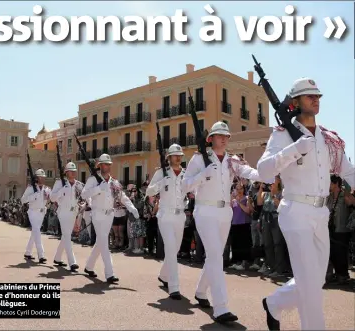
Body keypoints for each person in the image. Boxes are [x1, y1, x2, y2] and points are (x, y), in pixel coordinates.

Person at [257, 78, 354, 330]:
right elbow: (264, 172)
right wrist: (294, 149)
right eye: (309, 96)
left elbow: (348, 171)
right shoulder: (281, 135)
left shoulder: (328, 138)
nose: (316, 99)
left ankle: (275, 303)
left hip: (321, 213)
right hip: (295, 211)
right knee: (310, 284)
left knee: (314, 278)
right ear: (295, 103)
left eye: (318, 96)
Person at [183, 121, 266, 324]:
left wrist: (265, 173)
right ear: (211, 139)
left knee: (215, 256)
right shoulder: (199, 158)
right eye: (220, 135)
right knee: (215, 256)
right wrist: (203, 174)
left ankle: (201, 292)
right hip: (205, 210)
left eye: (227, 136)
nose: (224, 138)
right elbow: (185, 185)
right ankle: (221, 308)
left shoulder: (232, 160)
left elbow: (248, 172)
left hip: (224, 212)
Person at [81, 153, 139, 283]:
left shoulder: (114, 182)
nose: (107, 166)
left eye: (109, 164)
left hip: (109, 215)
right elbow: (84, 194)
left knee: (100, 242)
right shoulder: (93, 180)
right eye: (105, 164)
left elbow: (122, 196)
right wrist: (97, 189)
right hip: (97, 214)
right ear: (100, 165)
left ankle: (89, 266)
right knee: (104, 242)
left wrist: (131, 207)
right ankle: (109, 273)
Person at [145, 143, 186, 300]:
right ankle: (174, 287)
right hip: (165, 215)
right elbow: (149, 191)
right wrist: (163, 182)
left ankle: (163, 275)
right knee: (170, 248)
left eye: (180, 155)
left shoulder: (185, 173)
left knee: (174, 250)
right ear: (169, 157)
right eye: (175, 155)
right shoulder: (161, 172)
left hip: (180, 215)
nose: (178, 157)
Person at [50, 162, 84, 271]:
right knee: (68, 236)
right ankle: (72, 262)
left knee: (66, 235)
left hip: (74, 212)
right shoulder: (59, 183)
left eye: (75, 171)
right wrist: (62, 190)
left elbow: (84, 196)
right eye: (71, 171)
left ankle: (57, 258)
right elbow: (52, 198)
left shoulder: (78, 184)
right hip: (63, 212)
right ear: (66, 172)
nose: (74, 173)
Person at [21, 169, 51, 263]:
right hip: (33, 212)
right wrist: (33, 196)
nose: (43, 179)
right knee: (37, 231)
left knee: (35, 232)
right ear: (36, 178)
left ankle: (28, 252)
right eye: (40, 177)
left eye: (43, 177)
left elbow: (51, 199)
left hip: (42, 213)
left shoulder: (47, 189)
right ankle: (41, 255)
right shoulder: (31, 188)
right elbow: (23, 200)